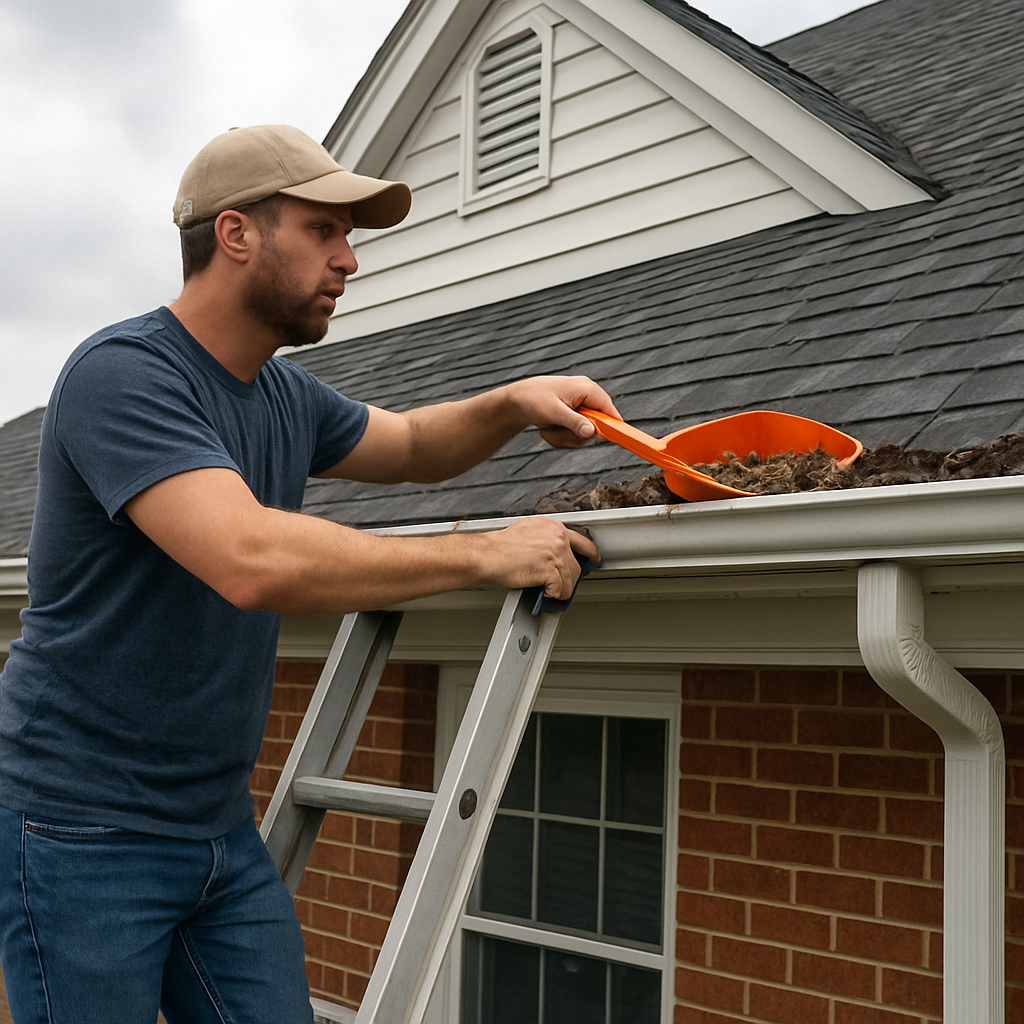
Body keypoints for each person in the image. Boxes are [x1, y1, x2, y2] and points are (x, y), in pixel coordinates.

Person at [0, 124, 618, 1023]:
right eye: (324, 231)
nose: (349, 260)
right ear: (237, 234)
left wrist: (512, 401)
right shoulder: (122, 376)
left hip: (216, 828)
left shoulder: (284, 395)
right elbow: (248, 559)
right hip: (80, 832)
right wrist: (482, 553)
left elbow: (408, 444)